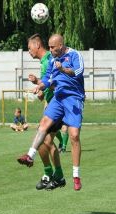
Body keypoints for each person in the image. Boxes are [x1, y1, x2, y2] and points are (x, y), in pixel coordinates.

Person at [18, 34, 85, 191]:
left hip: (74, 98)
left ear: (61, 45)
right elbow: (48, 79)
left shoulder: (74, 55)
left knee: (74, 135)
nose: (50, 50)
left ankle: (75, 176)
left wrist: (64, 69)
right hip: (58, 98)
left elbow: (79, 72)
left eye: (52, 47)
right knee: (43, 126)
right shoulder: (51, 61)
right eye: (48, 47)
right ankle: (30, 156)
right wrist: (40, 85)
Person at [18, 33, 66, 190]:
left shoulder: (48, 61)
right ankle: (53, 175)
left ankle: (52, 175)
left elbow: (54, 84)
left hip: (57, 105)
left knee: (42, 140)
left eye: (29, 47)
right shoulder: (44, 62)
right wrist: (39, 91)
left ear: (37, 45)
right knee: (45, 141)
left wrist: (39, 83)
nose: (29, 51)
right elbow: (45, 89)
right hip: (51, 104)